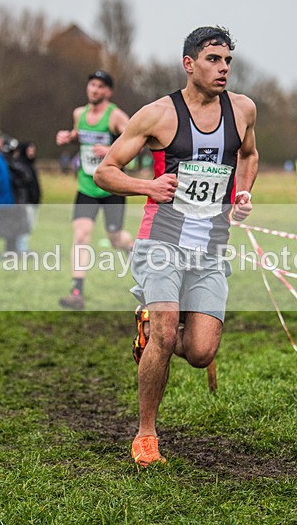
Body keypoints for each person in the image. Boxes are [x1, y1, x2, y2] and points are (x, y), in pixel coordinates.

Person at [93, 26, 257, 467]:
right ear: (189, 64)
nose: (223, 68)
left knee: (202, 352)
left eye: (227, 61)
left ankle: (151, 337)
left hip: (210, 247)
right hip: (161, 239)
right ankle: (146, 435)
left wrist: (241, 195)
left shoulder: (242, 110)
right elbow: (104, 172)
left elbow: (249, 155)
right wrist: (147, 185)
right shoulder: (157, 115)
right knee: (167, 332)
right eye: (213, 60)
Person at [56, 70, 133, 310]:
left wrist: (110, 150)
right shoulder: (79, 114)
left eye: (100, 86)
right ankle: (76, 291)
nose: (94, 90)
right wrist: (68, 137)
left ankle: (132, 249)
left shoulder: (116, 117)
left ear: (108, 91)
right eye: (91, 85)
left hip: (112, 187)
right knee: (81, 235)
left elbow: (135, 143)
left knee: (115, 239)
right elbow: (80, 135)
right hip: (87, 186)